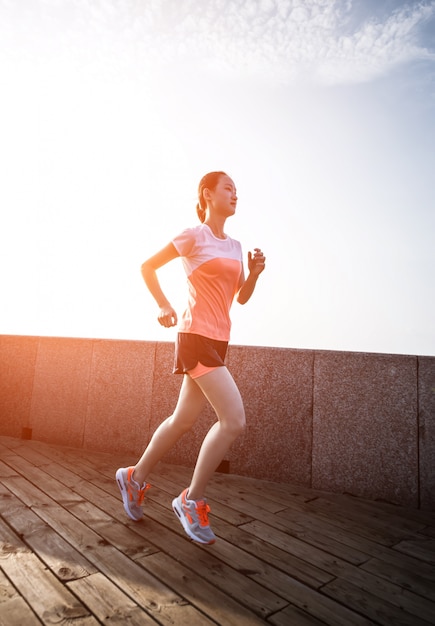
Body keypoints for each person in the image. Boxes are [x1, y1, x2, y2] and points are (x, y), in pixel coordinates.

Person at [116, 171, 266, 544]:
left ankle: (134, 478)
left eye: (237, 190)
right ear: (207, 194)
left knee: (182, 419)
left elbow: (240, 298)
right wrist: (163, 304)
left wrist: (256, 273)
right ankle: (191, 499)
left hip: (219, 339)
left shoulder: (234, 245)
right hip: (195, 336)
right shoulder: (193, 236)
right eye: (228, 188)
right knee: (233, 421)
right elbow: (147, 267)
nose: (235, 194)